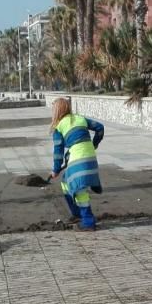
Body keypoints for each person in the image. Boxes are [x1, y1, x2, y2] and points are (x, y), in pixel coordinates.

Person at [48, 98, 104, 231]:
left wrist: (55, 170)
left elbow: (58, 153)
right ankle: (77, 214)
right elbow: (100, 128)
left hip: (79, 159)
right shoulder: (80, 119)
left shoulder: (59, 127)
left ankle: (88, 222)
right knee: (65, 182)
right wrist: (93, 144)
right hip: (90, 157)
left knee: (79, 188)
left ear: (56, 112)